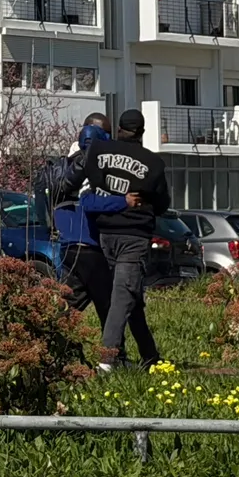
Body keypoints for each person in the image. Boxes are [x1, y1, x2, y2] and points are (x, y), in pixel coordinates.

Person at [75, 107, 170, 370]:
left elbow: (89, 187)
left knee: (129, 295)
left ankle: (150, 357)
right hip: (134, 236)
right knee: (122, 296)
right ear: (141, 132)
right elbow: (162, 204)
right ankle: (108, 360)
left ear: (118, 128)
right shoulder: (153, 164)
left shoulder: (98, 152)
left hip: (104, 235)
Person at [52, 115, 121, 330]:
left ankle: (52, 348)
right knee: (108, 307)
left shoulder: (65, 163)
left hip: (73, 245)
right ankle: (114, 356)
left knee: (69, 307)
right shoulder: (79, 163)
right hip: (89, 245)